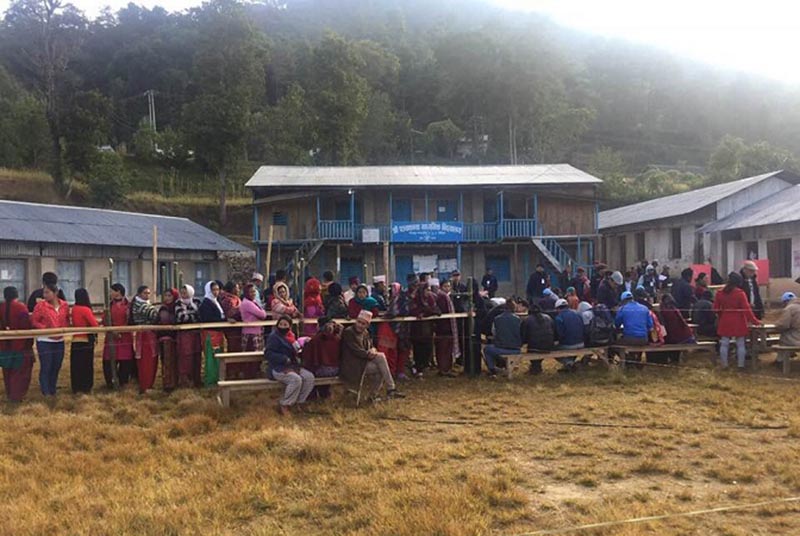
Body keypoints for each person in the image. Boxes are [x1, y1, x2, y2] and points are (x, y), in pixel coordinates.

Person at [340, 310, 405, 401]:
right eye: (359, 322)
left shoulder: (365, 332)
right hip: (351, 365)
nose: (360, 325)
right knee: (381, 361)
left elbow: (371, 346)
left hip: (362, 362)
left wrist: (373, 350)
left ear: (367, 325)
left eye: (363, 324)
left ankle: (375, 394)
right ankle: (390, 389)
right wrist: (369, 354)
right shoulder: (349, 332)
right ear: (356, 321)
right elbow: (356, 351)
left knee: (381, 364)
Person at [265, 315, 315, 415]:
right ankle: (284, 404)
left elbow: (296, 350)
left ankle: (300, 402)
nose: (283, 327)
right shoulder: (273, 337)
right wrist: (283, 358)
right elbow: (268, 353)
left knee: (309, 377)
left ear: (290, 326)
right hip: (278, 367)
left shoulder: (291, 336)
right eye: (281, 324)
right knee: (295, 379)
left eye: (285, 324)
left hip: (293, 365)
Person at [713, 272, 760, 370]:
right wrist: (755, 321)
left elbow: (715, 309)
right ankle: (740, 365)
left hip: (725, 319)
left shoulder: (719, 293)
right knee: (740, 343)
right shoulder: (740, 293)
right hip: (738, 320)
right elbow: (747, 310)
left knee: (724, 343)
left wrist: (722, 314)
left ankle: (724, 364)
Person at [31, 283, 69, 396]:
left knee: (56, 365)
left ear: (55, 293)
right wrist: (45, 328)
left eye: (47, 292)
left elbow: (67, 319)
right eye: (44, 292)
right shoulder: (40, 306)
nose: (45, 295)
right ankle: (46, 392)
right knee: (46, 366)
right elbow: (34, 321)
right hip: (45, 340)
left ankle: (53, 389)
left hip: (59, 340)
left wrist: (64, 328)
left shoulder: (65, 305)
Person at [0, 286, 34, 402]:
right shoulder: (21, 308)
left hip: (4, 346)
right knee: (19, 373)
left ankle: (9, 394)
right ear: (16, 295)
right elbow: (26, 327)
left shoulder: (1, 307)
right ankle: (16, 397)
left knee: (7, 372)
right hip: (20, 347)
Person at [103, 283, 135, 388]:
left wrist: (123, 329)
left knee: (125, 360)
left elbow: (131, 320)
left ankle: (123, 382)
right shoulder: (109, 305)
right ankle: (110, 383)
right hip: (111, 336)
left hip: (125, 336)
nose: (110, 293)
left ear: (118, 292)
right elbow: (105, 319)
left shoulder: (129, 305)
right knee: (108, 360)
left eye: (112, 291)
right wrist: (112, 330)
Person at [302, 317, 343, 398]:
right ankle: (324, 392)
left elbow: (308, 357)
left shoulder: (316, 339)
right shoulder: (337, 337)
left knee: (308, 371)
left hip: (323, 370)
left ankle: (311, 395)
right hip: (337, 369)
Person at [408, 277, 440, 377]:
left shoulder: (431, 298)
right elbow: (413, 311)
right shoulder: (415, 299)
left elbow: (436, 310)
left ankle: (424, 366)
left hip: (428, 330)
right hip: (416, 330)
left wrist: (425, 313)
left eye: (429, 289)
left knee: (428, 349)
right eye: (426, 290)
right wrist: (423, 312)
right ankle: (418, 369)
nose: (428, 292)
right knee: (418, 350)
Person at [130, 285, 160, 393]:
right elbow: (154, 315)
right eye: (145, 293)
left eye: (148, 293)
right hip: (145, 335)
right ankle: (145, 386)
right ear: (139, 294)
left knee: (151, 361)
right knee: (146, 362)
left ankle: (148, 385)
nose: (147, 295)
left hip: (148, 334)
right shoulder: (140, 305)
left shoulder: (143, 304)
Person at [70, 288, 99, 394]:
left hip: (75, 340)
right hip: (85, 340)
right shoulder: (85, 309)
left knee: (76, 366)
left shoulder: (74, 308)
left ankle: (76, 387)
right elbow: (94, 325)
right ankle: (86, 387)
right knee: (86, 365)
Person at [482, 300, 522, 377]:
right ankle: (504, 366)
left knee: (487, 349)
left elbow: (494, 333)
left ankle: (492, 369)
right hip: (516, 349)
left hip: (501, 348)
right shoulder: (518, 319)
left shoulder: (497, 319)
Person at [379, 282, 409, 380]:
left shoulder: (401, 300)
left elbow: (395, 312)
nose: (391, 292)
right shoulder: (393, 300)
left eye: (393, 290)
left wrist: (388, 315)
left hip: (400, 329)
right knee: (391, 351)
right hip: (392, 330)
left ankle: (396, 372)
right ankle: (390, 373)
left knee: (399, 351)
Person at [174, 284, 203, 387]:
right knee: (185, 357)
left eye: (185, 292)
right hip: (184, 334)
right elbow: (181, 318)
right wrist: (193, 316)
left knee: (197, 356)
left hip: (196, 334)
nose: (183, 294)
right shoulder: (178, 303)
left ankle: (197, 381)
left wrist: (190, 316)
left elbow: (200, 316)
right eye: (181, 292)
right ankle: (185, 382)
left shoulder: (196, 302)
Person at [614, 291, 654, 365]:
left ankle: (628, 360)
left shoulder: (622, 309)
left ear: (623, 301)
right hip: (644, 339)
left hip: (629, 338)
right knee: (638, 340)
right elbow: (650, 326)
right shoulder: (645, 308)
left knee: (614, 345)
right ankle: (637, 360)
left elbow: (616, 324)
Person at [434, 280, 459, 377]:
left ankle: (447, 368)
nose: (447, 288)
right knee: (443, 349)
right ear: (440, 287)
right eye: (445, 286)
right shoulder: (442, 297)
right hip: (443, 327)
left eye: (448, 286)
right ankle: (443, 369)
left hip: (447, 327)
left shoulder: (447, 297)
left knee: (448, 349)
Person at [521, 302, 555, 375]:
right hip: (549, 346)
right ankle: (536, 367)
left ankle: (535, 368)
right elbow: (553, 331)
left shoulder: (527, 320)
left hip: (534, 347)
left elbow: (523, 336)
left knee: (533, 349)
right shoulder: (548, 317)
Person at [157, 288, 180, 392]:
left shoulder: (178, 307)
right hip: (165, 339)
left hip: (177, 338)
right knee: (166, 362)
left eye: (169, 295)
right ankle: (168, 385)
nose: (167, 298)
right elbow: (162, 322)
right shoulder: (163, 309)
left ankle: (176, 382)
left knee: (176, 362)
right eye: (165, 296)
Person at [553, 298, 584, 371]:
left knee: (552, 349)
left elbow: (561, 335)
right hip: (581, 343)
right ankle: (569, 365)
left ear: (557, 308)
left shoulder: (559, 318)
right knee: (572, 349)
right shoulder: (577, 313)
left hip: (569, 345)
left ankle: (569, 363)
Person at [775, 292, 800, 369]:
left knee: (783, 339)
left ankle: (780, 361)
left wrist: (777, 324)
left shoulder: (789, 309)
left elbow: (783, 325)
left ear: (785, 301)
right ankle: (790, 354)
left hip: (796, 339)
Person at [240, 283, 268, 352]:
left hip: (257, 331)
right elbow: (262, 314)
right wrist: (262, 311)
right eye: (251, 292)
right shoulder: (247, 303)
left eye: (254, 291)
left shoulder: (253, 302)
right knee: (252, 357)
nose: (253, 294)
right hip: (251, 334)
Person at [220, 281, 243, 354]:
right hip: (232, 329)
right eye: (237, 288)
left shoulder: (236, 299)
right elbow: (230, 313)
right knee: (233, 348)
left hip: (238, 328)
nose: (238, 290)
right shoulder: (228, 300)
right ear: (232, 289)